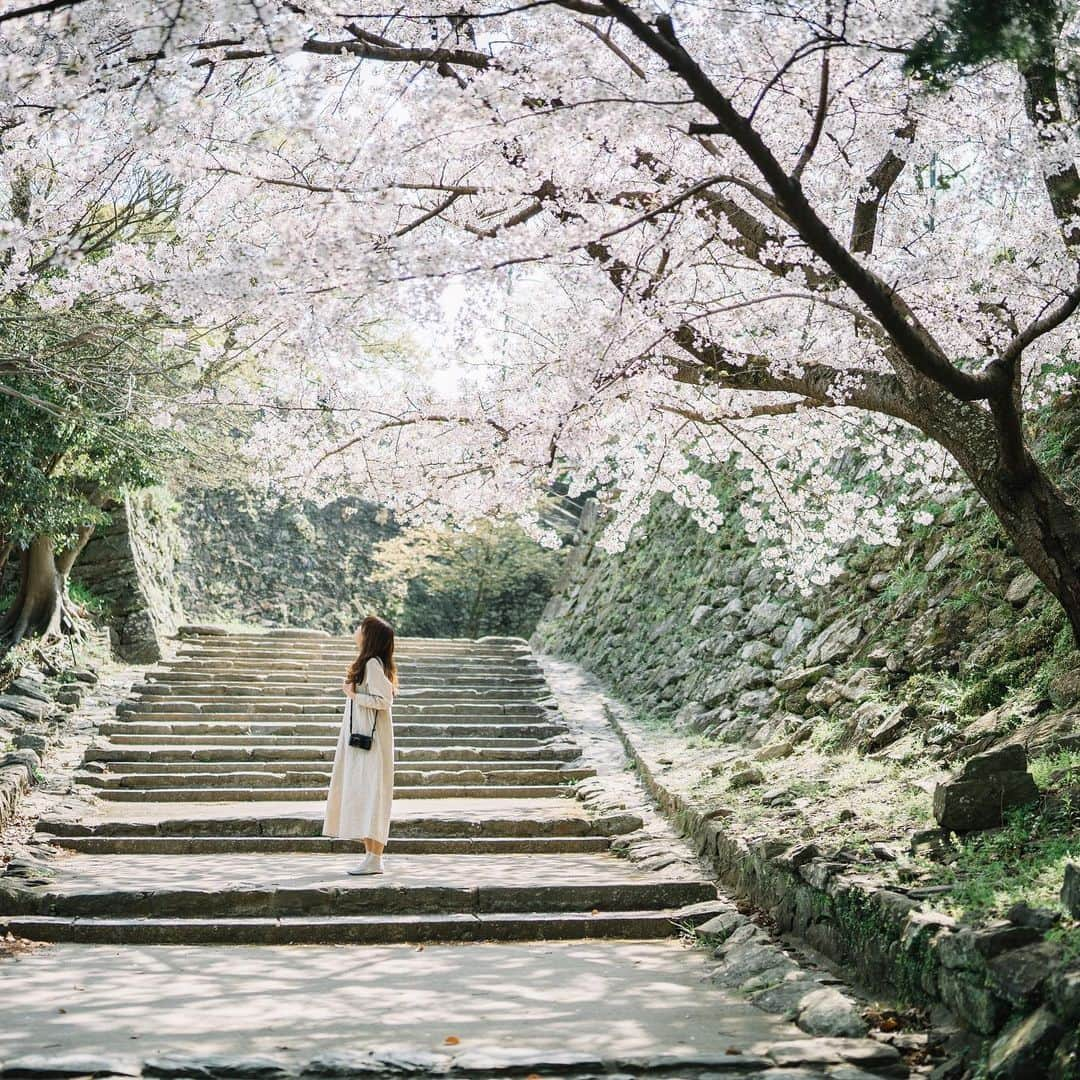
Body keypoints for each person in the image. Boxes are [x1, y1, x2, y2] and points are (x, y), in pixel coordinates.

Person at [322, 614, 398, 875]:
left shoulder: (373, 665)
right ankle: (371, 856)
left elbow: (385, 700)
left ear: (369, 636)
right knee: (366, 795)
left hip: (372, 744)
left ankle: (374, 858)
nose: (356, 631)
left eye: (361, 628)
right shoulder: (370, 664)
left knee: (372, 795)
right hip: (365, 742)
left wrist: (354, 695)